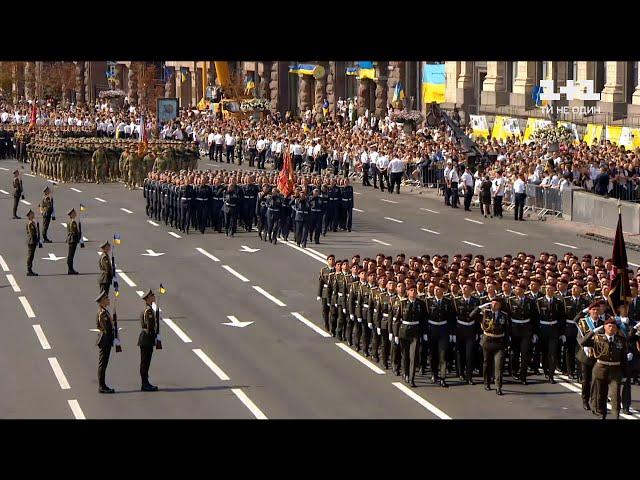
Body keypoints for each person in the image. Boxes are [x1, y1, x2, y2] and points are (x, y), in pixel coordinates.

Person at [579, 316, 628, 419]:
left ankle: (616, 416)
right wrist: (593, 332)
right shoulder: (598, 338)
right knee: (600, 395)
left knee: (615, 396)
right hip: (600, 369)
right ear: (604, 327)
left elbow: (624, 358)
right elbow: (583, 342)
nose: (611, 328)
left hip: (615, 370)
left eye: (613, 326)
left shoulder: (621, 340)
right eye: (609, 326)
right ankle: (602, 415)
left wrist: (625, 374)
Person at [473, 297, 509, 395]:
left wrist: (507, 344)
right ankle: (487, 382)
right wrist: (480, 307)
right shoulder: (485, 313)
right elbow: (471, 315)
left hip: (499, 342)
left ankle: (498, 386)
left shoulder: (504, 315)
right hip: (487, 341)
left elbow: (507, 330)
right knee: (487, 364)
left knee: (499, 366)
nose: (493, 305)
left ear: (500, 306)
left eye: (496, 304)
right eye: (492, 303)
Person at [398, 284, 428, 387]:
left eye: (415, 290)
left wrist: (424, 333)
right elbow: (397, 319)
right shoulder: (402, 303)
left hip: (416, 330)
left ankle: (412, 378)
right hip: (404, 331)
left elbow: (424, 319)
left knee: (413, 355)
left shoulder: (421, 304)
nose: (413, 292)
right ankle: (405, 373)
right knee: (405, 354)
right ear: (407, 292)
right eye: (411, 290)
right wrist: (395, 333)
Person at [138, 290, 159, 392]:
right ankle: (144, 384)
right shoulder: (148, 311)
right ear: (148, 298)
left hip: (146, 338)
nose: (154, 296)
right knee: (145, 362)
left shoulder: (149, 309)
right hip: (147, 338)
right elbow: (150, 327)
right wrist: (155, 335)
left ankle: (145, 382)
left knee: (146, 362)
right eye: (152, 295)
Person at [95, 291, 115, 394]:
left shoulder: (104, 311)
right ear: (102, 301)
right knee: (103, 364)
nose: (108, 299)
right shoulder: (103, 313)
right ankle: (101, 386)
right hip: (105, 340)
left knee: (104, 363)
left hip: (106, 340)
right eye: (107, 298)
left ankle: (103, 385)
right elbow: (106, 328)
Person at [317, 255, 336, 333]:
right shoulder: (323, 270)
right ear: (327, 261)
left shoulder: (336, 270)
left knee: (333, 311)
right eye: (330, 259)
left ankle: (332, 327)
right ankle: (326, 324)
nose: (331, 261)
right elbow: (320, 283)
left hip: (333, 293)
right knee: (325, 310)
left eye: (333, 259)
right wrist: (319, 294)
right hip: (325, 293)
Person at [66, 208, 80, 275]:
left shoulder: (70, 221)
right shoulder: (73, 222)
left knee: (70, 255)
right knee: (71, 255)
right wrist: (79, 236)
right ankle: (70, 269)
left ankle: (70, 269)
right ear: (71, 214)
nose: (75, 213)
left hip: (71, 239)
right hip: (72, 240)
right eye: (74, 212)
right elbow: (74, 232)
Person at [25, 209, 39, 276]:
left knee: (31, 256)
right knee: (30, 256)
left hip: (32, 241)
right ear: (29, 216)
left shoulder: (32, 222)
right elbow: (33, 233)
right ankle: (29, 270)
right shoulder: (30, 224)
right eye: (32, 214)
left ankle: (30, 269)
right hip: (31, 241)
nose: (33, 214)